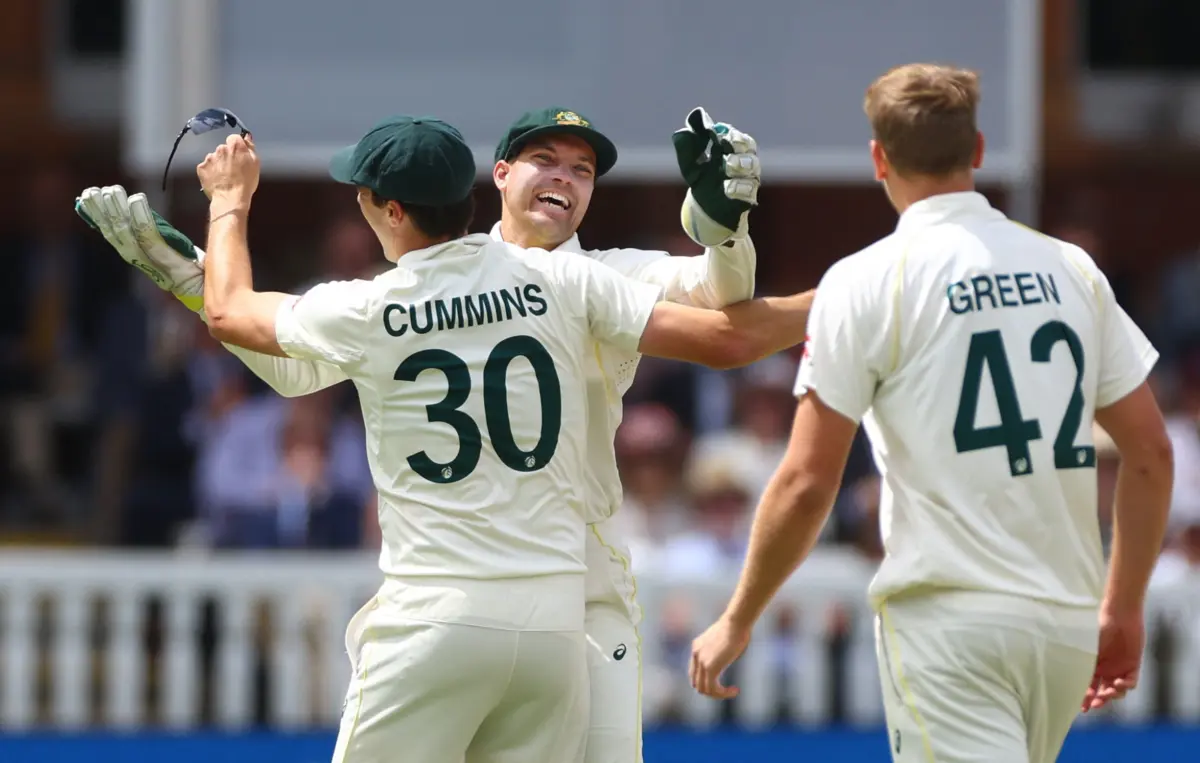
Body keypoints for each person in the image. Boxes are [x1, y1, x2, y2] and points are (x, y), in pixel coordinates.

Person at [77, 105, 814, 762]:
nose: (565, 177)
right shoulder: (565, 285)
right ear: (493, 177)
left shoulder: (457, 287)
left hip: (558, 595)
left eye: (582, 169)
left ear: (387, 207)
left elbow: (722, 302)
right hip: (542, 604)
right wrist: (851, 294)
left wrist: (725, 232)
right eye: (545, 160)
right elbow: (728, 335)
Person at [689, 63, 1174, 763]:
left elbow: (804, 482)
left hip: (950, 622)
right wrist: (1123, 603)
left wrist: (737, 619)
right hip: (1064, 624)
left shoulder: (864, 281)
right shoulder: (1072, 268)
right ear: (976, 149)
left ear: (878, 158)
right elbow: (1151, 452)